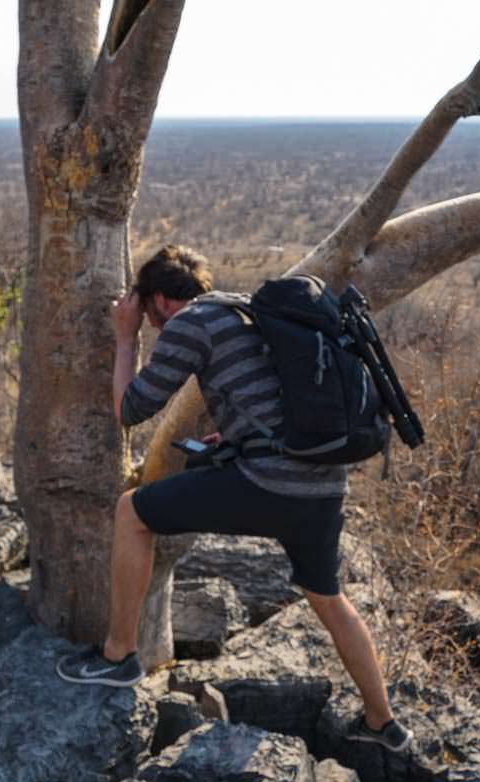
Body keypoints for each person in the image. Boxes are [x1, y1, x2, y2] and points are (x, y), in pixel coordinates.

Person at [56, 245, 411, 753]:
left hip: (271, 484)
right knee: (329, 599)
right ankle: (384, 724)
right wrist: (241, 437)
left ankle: (117, 658)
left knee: (131, 512)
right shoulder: (246, 311)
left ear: (159, 299)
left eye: (148, 312)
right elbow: (279, 401)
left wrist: (125, 339)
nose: (152, 323)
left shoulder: (189, 323)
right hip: (325, 485)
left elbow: (131, 409)